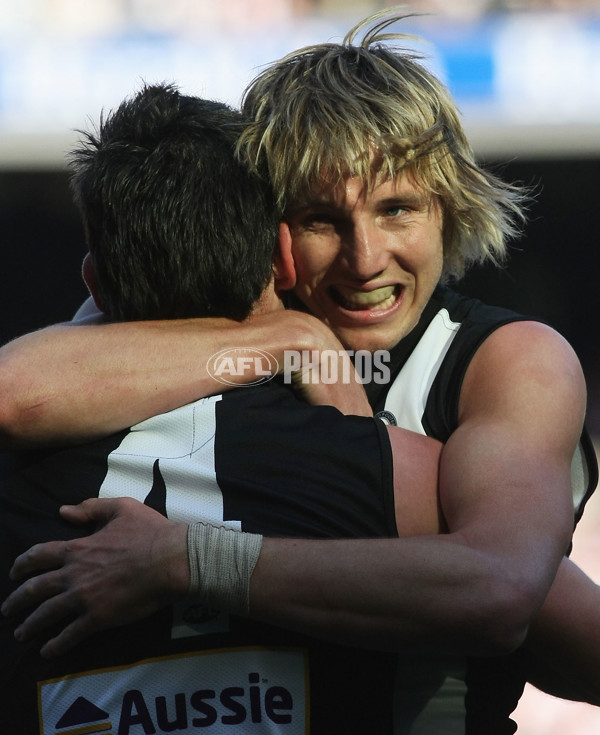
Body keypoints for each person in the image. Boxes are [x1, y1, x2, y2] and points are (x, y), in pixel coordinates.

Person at [0, 8, 597, 733]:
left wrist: (191, 561)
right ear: (275, 237)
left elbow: (505, 593)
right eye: (323, 219)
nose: (366, 257)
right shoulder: (236, 323)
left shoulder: (503, 361)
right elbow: (15, 388)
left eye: (397, 209)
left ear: (449, 208)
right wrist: (284, 339)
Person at [0, 81, 452, 734]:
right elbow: (517, 605)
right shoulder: (410, 477)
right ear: (283, 257)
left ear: (94, 284)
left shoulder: (14, 478)